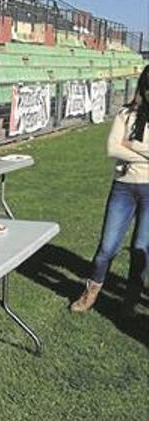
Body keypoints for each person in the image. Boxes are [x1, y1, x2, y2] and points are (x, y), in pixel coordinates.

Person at [70, 64, 149, 319]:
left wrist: (131, 144)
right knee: (107, 247)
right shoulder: (126, 114)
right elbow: (112, 149)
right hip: (123, 187)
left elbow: (122, 145)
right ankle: (91, 292)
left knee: (141, 248)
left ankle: (132, 298)